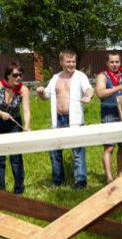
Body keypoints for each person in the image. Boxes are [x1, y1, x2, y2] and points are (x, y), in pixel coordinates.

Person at [36, 50, 94, 189]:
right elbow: (46, 96)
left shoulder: (80, 76)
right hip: (58, 120)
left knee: (77, 151)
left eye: (73, 61)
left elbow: (89, 89)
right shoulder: (55, 78)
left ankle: (80, 182)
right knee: (55, 150)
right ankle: (58, 181)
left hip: (74, 119)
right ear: (61, 62)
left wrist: (88, 96)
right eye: (68, 61)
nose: (71, 64)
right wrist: (41, 93)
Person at [0, 62, 31, 194]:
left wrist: (27, 126)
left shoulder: (24, 90)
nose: (18, 78)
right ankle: (0, 192)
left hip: (14, 123)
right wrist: (0, 113)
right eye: (15, 75)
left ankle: (19, 190)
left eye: (20, 75)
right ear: (8, 75)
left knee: (16, 157)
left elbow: (26, 110)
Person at [95, 52, 122, 183]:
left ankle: (120, 172)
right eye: (112, 62)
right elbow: (100, 93)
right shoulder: (102, 76)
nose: (114, 64)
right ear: (107, 63)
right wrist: (117, 87)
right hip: (108, 112)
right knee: (109, 147)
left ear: (120, 63)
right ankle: (109, 177)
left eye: (117, 62)